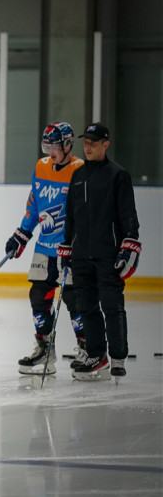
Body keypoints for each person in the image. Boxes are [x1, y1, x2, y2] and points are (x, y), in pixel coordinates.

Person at [60, 123, 141, 380]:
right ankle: (97, 356)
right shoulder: (78, 175)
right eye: (86, 142)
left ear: (106, 144)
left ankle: (118, 357)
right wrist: (66, 248)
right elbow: (70, 217)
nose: (88, 146)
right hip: (81, 254)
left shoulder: (118, 175)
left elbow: (129, 216)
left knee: (112, 306)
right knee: (87, 307)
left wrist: (129, 247)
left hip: (109, 256)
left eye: (94, 142)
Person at [4, 122, 85, 375]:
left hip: (69, 249)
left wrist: (76, 243)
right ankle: (45, 349)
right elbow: (34, 203)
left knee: (74, 299)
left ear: (69, 145)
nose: (50, 152)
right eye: (46, 146)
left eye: (55, 147)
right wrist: (23, 233)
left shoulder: (80, 169)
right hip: (44, 247)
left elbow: (84, 212)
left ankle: (88, 347)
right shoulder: (41, 166)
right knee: (38, 297)